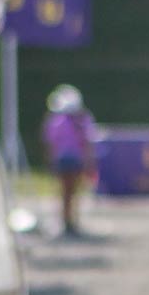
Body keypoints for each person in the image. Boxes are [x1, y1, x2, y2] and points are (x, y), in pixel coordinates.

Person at [40, 84, 98, 236]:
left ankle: (67, 221)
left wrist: (50, 160)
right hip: (76, 160)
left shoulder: (56, 121)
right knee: (74, 192)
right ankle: (71, 221)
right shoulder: (83, 120)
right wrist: (89, 161)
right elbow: (88, 143)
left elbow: (50, 143)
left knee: (65, 192)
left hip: (63, 160)